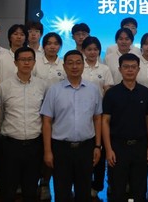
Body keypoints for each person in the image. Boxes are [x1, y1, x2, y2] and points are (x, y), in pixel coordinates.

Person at [41, 50, 103, 202]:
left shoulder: (93, 89)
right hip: (61, 148)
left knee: (84, 192)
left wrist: (97, 146)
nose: (74, 66)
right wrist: (48, 151)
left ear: (83, 65)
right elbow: (47, 121)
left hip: (86, 148)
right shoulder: (54, 90)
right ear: (64, 66)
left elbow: (97, 118)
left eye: (78, 63)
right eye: (70, 63)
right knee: (62, 192)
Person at [0, 47, 48, 202]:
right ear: (15, 62)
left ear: (34, 62)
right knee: (8, 190)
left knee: (30, 191)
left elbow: (45, 116)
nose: (26, 63)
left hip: (34, 145)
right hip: (10, 146)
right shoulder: (4, 87)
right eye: (22, 60)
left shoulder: (42, 86)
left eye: (30, 59)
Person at [102, 53, 148, 202]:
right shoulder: (111, 93)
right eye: (126, 67)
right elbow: (105, 121)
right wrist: (108, 149)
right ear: (120, 69)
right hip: (118, 147)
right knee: (117, 189)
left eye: (133, 67)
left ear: (138, 69)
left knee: (139, 189)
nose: (130, 70)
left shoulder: (145, 92)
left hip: (140, 146)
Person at [32, 32, 65, 200]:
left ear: (60, 46)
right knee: (38, 149)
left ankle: (46, 183)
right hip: (36, 111)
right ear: (43, 46)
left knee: (54, 150)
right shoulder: (36, 63)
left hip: (59, 114)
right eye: (49, 43)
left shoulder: (64, 64)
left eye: (56, 43)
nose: (52, 46)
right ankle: (35, 183)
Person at [81, 36, 114, 198]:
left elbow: (108, 91)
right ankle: (83, 184)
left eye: (95, 49)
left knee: (99, 150)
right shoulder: (79, 67)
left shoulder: (105, 69)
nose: (92, 52)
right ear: (83, 51)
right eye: (89, 49)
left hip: (99, 115)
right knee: (84, 151)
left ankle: (97, 185)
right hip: (81, 115)